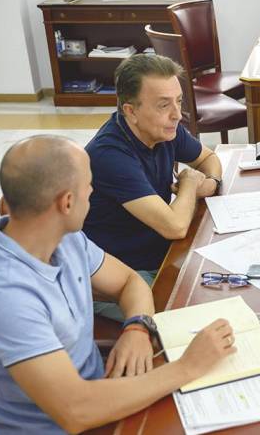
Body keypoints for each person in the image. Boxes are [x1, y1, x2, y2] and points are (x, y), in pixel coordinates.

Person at [0, 135, 237, 434]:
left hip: (103, 393)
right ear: (67, 202)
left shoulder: (64, 237)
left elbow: (130, 281)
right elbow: (76, 411)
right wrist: (187, 367)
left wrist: (138, 327)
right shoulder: (3, 296)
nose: (93, 191)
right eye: (89, 184)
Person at [84, 54, 223, 320]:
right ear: (131, 111)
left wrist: (212, 182)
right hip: (118, 279)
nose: (176, 115)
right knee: (195, 317)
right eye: (163, 105)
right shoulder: (110, 155)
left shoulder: (164, 129)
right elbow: (175, 227)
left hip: (157, 255)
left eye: (178, 101)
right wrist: (190, 184)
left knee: (225, 286)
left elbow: (208, 158)